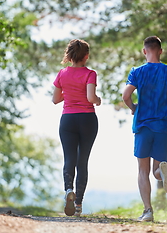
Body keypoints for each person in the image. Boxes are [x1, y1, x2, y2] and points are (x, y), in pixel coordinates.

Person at [122, 36, 167, 222]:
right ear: (160, 51)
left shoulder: (136, 72)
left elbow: (126, 95)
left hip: (143, 124)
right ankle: (162, 172)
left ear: (144, 51)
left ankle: (148, 211)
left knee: (143, 170)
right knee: (157, 169)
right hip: (163, 125)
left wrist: (134, 108)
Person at [52, 39, 101, 217]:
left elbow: (55, 99)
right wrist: (98, 100)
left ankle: (68, 190)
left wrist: (71, 91)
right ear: (86, 56)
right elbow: (90, 97)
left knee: (69, 158)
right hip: (87, 119)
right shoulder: (90, 73)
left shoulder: (62, 73)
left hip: (68, 120)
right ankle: (78, 204)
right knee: (83, 161)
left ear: (70, 55)